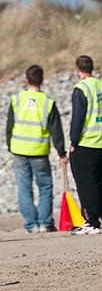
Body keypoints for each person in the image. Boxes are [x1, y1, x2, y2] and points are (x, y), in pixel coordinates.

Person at [6, 65, 68, 233]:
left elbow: (9, 126)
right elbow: (56, 131)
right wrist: (61, 152)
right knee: (45, 186)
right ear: (42, 80)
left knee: (24, 187)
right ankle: (45, 222)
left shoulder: (17, 99)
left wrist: (10, 145)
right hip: (39, 150)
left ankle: (31, 224)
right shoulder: (47, 103)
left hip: (19, 149)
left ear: (26, 80)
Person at [69, 55, 102, 234]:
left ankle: (91, 221)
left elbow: (78, 118)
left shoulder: (81, 88)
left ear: (78, 70)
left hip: (86, 143)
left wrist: (73, 141)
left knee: (87, 184)